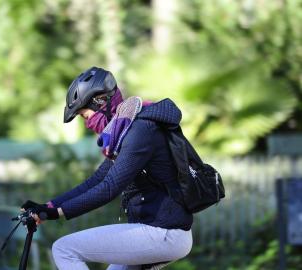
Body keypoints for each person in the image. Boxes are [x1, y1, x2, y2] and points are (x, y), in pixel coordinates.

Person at [21, 67, 193, 270]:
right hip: (154, 230)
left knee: (64, 249)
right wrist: (48, 206)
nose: (87, 124)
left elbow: (109, 188)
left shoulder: (140, 133)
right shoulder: (125, 133)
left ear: (101, 102)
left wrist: (56, 213)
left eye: (85, 116)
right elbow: (96, 180)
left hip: (164, 232)